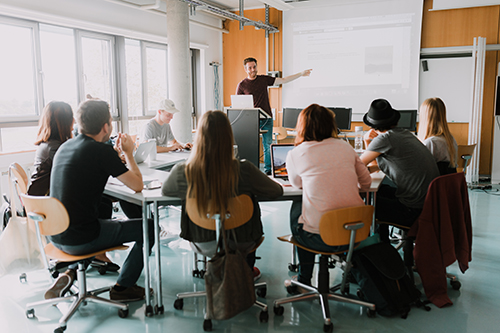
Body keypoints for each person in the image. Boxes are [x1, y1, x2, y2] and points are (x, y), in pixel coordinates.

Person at [44, 99, 154, 302]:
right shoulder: (101, 151)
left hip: (54, 236)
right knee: (149, 227)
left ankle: (71, 271)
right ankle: (123, 288)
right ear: (106, 126)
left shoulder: (65, 147)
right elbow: (137, 185)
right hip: (81, 239)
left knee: (99, 209)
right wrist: (129, 154)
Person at [162, 110, 283, 280]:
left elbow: (166, 191)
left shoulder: (184, 172)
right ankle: (246, 270)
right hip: (242, 240)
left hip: (202, 240)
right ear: (229, 137)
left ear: (199, 138)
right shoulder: (245, 170)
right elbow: (276, 191)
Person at [285, 104, 372, 288]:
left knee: (298, 206)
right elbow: (366, 183)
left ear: (302, 126)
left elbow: (297, 185)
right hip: (354, 232)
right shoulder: (345, 147)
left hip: (319, 237)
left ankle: (303, 280)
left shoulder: (296, 153)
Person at [28, 101, 119, 272]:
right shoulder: (58, 148)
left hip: (41, 204)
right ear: (67, 121)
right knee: (100, 202)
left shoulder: (48, 144)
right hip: (52, 210)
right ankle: (87, 257)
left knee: (104, 203)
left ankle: (85, 260)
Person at [359, 99, 440, 242]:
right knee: (379, 192)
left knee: (366, 203)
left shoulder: (386, 139)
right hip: (428, 205)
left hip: (412, 210)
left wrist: (368, 141)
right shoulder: (405, 134)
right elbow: (373, 167)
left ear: (372, 125)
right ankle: (382, 244)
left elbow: (358, 165)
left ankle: (380, 249)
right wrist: (368, 143)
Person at [236, 57, 312, 175]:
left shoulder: (263, 80)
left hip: (266, 118)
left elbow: (283, 80)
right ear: (245, 69)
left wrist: (301, 74)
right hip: (250, 120)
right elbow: (238, 105)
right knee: (251, 145)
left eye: (254, 67)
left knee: (267, 145)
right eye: (250, 68)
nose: (253, 70)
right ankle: (252, 171)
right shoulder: (242, 85)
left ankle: (268, 171)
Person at [418, 97, 458, 175]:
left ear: (424, 117)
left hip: (432, 185)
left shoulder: (430, 143)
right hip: (447, 184)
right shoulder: (450, 139)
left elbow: (420, 170)